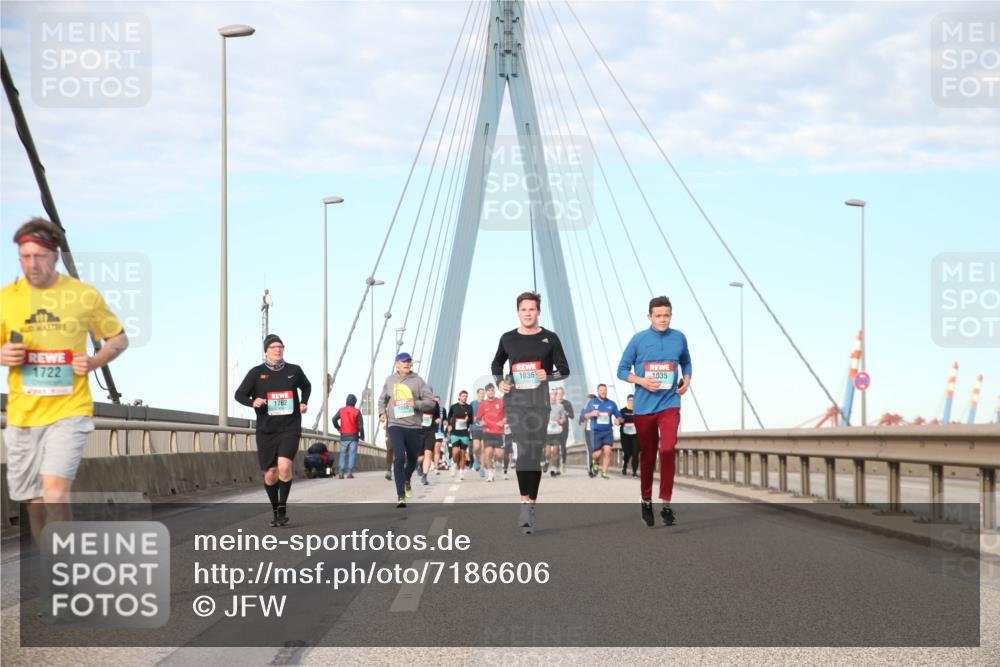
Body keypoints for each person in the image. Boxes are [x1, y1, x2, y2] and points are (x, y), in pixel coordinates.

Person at [1, 218, 129, 545]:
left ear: (55, 256)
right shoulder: (7, 299)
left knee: (55, 493)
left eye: (39, 256)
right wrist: (3, 354)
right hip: (23, 414)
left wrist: (96, 360)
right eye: (25, 256)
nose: (32, 264)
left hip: (69, 410)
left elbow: (118, 339)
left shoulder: (82, 295)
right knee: (35, 504)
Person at [493, 291, 570, 534]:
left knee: (534, 455)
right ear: (518, 312)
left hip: (539, 403)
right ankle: (524, 503)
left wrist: (548, 375)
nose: (528, 313)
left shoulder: (550, 338)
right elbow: (497, 363)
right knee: (524, 450)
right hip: (515, 403)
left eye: (532, 309)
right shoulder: (508, 338)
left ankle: (531, 504)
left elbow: (564, 369)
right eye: (523, 309)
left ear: (538, 311)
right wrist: (500, 382)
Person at [617, 296, 692, 528]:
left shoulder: (679, 337)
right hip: (644, 407)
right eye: (658, 315)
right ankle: (646, 500)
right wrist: (641, 381)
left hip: (670, 404)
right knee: (648, 455)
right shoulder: (638, 340)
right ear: (649, 316)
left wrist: (687, 380)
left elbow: (686, 362)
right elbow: (622, 370)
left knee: (667, 449)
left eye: (666, 315)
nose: (663, 319)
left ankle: (666, 504)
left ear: (671, 315)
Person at [235, 334, 312, 527]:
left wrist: (303, 402)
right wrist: (253, 402)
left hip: (290, 427)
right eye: (274, 347)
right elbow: (239, 394)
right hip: (266, 429)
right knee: (270, 472)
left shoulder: (294, 370)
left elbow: (307, 386)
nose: (278, 349)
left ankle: (283, 508)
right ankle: (275, 508)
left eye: (281, 346)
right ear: (266, 351)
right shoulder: (256, 373)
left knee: (284, 467)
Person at [378, 352, 435, 507]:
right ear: (397, 363)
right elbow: (382, 400)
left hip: (414, 426)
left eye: (409, 361)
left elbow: (431, 402)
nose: (407, 363)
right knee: (399, 458)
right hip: (395, 424)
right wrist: (382, 413)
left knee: (412, 459)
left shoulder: (418, 381)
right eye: (404, 361)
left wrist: (415, 404)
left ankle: (407, 479)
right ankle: (401, 496)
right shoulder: (390, 380)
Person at [583, 384, 622, 479]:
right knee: (597, 454)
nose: (603, 392)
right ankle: (596, 463)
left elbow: (619, 416)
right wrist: (591, 414)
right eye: (601, 390)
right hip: (595, 432)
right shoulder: (592, 403)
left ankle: (604, 473)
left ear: (606, 391)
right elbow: (585, 415)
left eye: (604, 390)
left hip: (607, 432)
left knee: (608, 451)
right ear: (598, 391)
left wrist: (618, 421)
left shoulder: (611, 403)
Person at [476, 383, 506, 482]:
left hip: (499, 432)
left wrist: (503, 421)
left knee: (499, 455)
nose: (491, 392)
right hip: (487, 432)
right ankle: (490, 474)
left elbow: (508, 414)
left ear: (494, 391)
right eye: (489, 390)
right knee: (488, 453)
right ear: (486, 392)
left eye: (492, 390)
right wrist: (481, 422)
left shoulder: (500, 402)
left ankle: (498, 464)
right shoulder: (483, 404)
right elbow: (478, 418)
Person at [332, 394, 364, 479]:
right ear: (354, 402)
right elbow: (361, 426)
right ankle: (349, 473)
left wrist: (338, 428)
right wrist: (362, 436)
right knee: (352, 455)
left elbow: (334, 419)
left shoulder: (341, 410)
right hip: (354, 437)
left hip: (344, 436)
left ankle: (341, 473)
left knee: (342, 455)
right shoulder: (357, 411)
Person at [447, 390, 474, 480]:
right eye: (463, 396)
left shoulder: (469, 407)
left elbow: (472, 421)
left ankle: (461, 472)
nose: (465, 398)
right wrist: (449, 425)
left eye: (466, 396)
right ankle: (454, 464)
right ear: (459, 397)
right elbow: (449, 417)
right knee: (455, 452)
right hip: (455, 432)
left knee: (463, 453)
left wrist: (468, 419)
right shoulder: (453, 407)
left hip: (464, 433)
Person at [417, 394, 442, 485]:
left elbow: (438, 416)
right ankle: (419, 465)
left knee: (428, 453)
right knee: (420, 458)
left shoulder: (435, 403)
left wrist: (438, 420)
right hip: (419, 431)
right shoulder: (417, 402)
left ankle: (424, 476)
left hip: (431, 431)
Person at [545, 389, 566, 477]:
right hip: (547, 432)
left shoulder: (560, 406)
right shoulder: (544, 406)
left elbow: (563, 419)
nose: (553, 396)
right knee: (547, 453)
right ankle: (546, 461)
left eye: (554, 395)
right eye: (551, 395)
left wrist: (561, 421)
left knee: (555, 452)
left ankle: (553, 469)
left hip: (556, 432)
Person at [620, 394, 639, 478]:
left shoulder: (639, 410)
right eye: (630, 400)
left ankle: (634, 472)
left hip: (636, 435)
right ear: (627, 401)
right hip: (625, 435)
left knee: (635, 452)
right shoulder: (623, 411)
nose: (631, 402)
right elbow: (619, 420)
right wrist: (619, 421)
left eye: (633, 400)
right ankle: (624, 466)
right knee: (627, 452)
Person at [555, 386, 573, 474]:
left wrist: (566, 413)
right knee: (556, 447)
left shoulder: (567, 403)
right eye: (557, 393)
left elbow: (572, 416)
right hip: (554, 429)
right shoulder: (552, 403)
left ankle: (563, 463)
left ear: (563, 394)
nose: (559, 395)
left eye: (561, 393)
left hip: (564, 428)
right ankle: (557, 466)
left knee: (562, 446)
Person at [469, 387, 485, 475]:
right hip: (475, 428)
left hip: (485, 428)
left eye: (483, 393)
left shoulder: (487, 403)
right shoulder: (473, 403)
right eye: (481, 393)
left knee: (483, 448)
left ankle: (482, 469)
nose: (482, 394)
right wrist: (473, 419)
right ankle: (476, 461)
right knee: (476, 447)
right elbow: (468, 414)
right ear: (477, 394)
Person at [579, 393, 595, 477]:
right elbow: (581, 419)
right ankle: (590, 469)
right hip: (588, 432)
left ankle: (595, 467)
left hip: (597, 432)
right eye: (588, 400)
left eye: (590, 400)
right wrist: (586, 415)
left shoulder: (599, 408)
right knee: (590, 451)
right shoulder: (584, 409)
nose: (589, 402)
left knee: (596, 450)